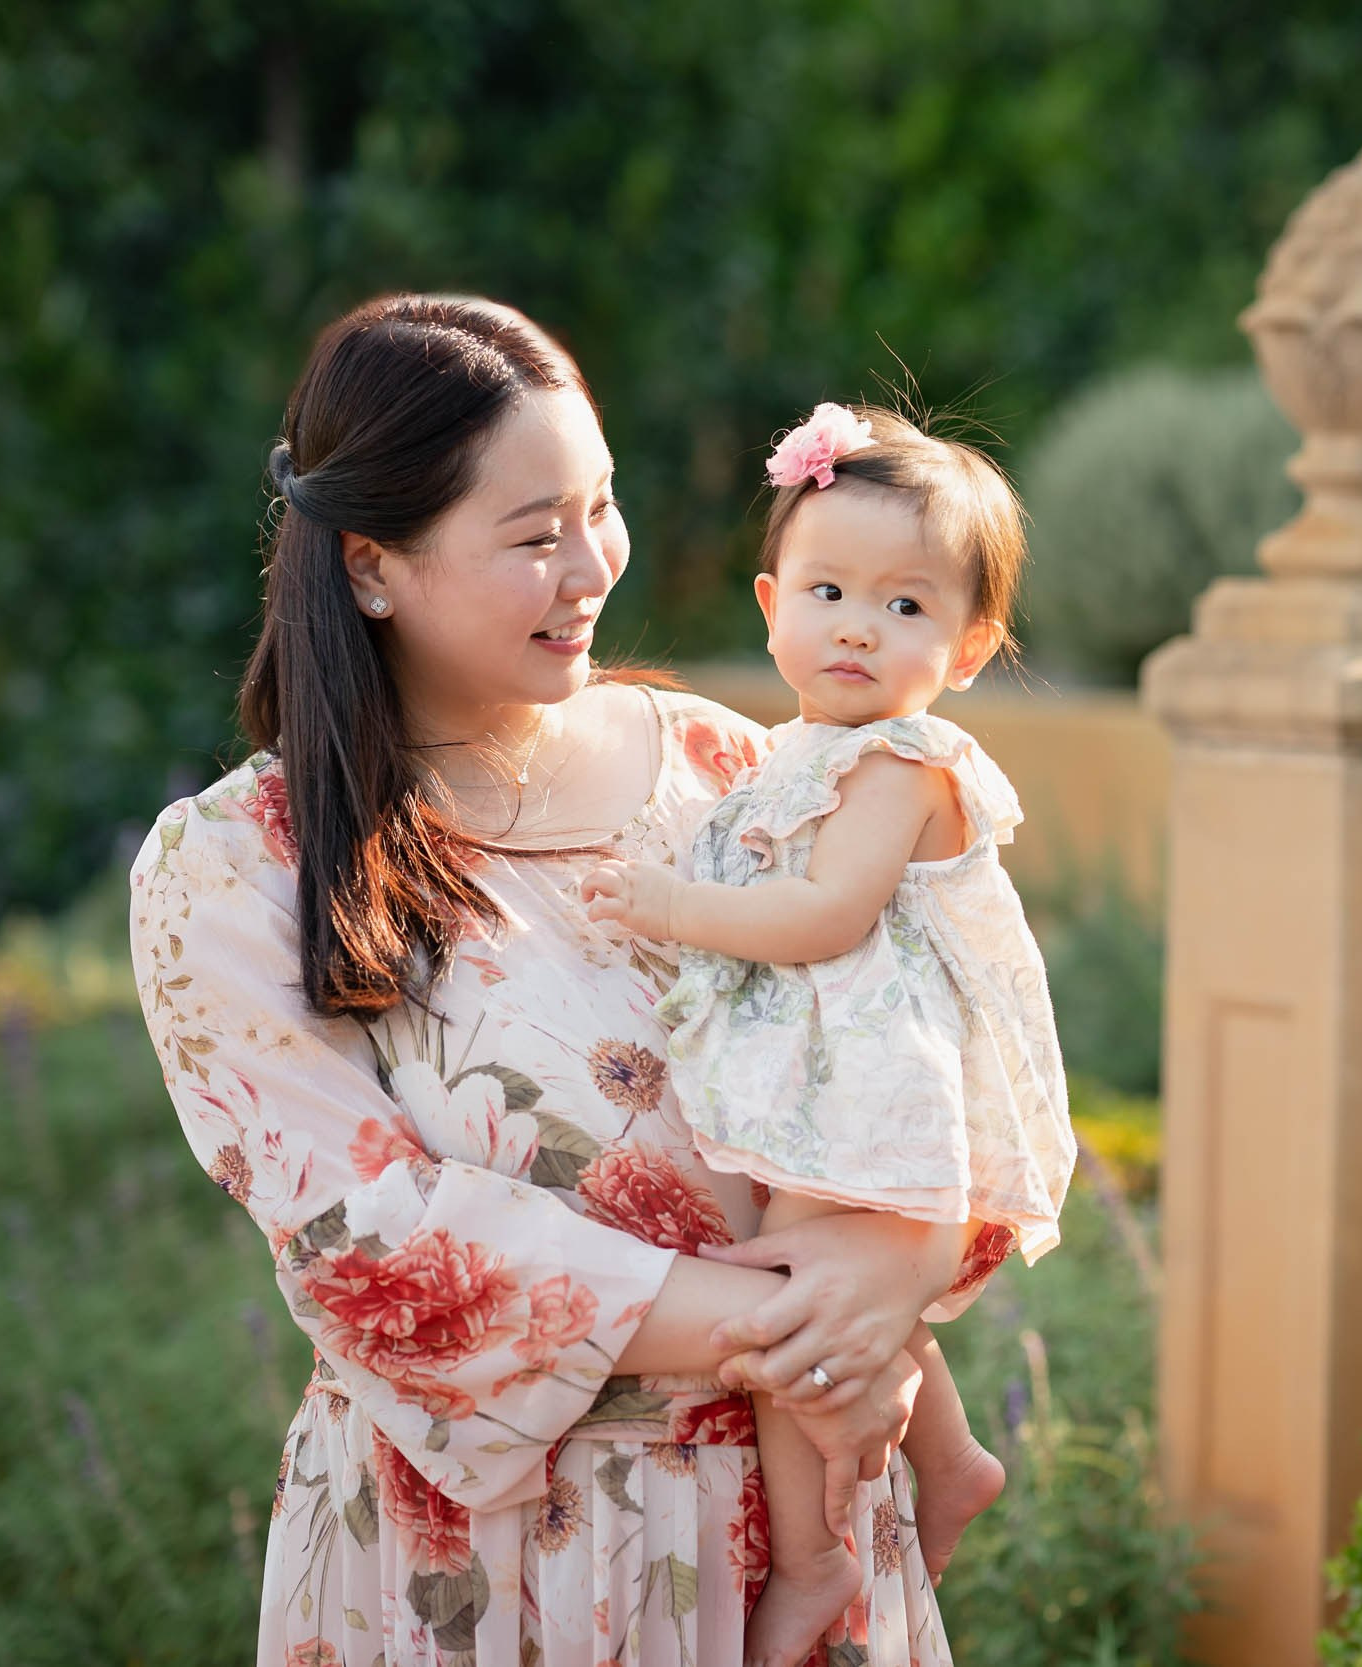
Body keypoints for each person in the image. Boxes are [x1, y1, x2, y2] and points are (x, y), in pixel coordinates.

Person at [128, 296, 1001, 1667]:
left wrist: (896, 1269)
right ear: (371, 566)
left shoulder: (733, 767)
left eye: (603, 504)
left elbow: (929, 1029)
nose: (593, 563)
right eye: (535, 536)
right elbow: (368, 1240)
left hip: (797, 1517)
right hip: (487, 1568)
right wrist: (817, 1327)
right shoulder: (240, 864)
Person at [579, 403, 1073, 1667]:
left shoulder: (904, 760)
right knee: (823, 1290)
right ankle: (950, 1456)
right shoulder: (797, 751)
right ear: (770, 601)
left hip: (881, 1082)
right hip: (830, 1074)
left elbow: (823, 912)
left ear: (970, 648)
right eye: (831, 588)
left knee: (801, 1299)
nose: (858, 624)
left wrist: (672, 907)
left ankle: (814, 1561)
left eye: (908, 607)